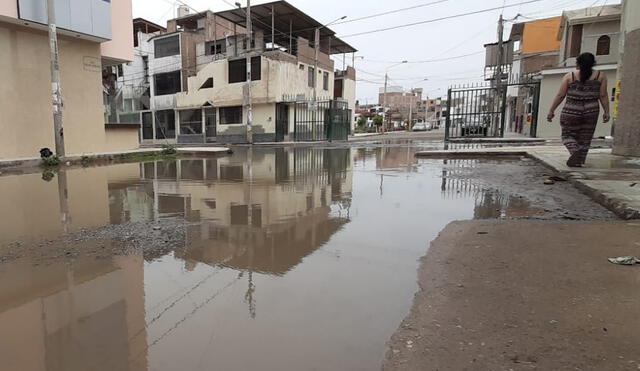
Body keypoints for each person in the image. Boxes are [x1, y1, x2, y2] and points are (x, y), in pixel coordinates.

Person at [547, 52, 610, 167]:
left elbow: (561, 95)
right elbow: (603, 95)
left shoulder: (569, 76)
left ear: (578, 63)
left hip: (571, 110)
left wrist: (552, 110)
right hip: (591, 110)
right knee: (586, 136)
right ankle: (579, 161)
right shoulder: (601, 76)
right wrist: (606, 111)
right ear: (593, 63)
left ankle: (574, 151)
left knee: (567, 134)